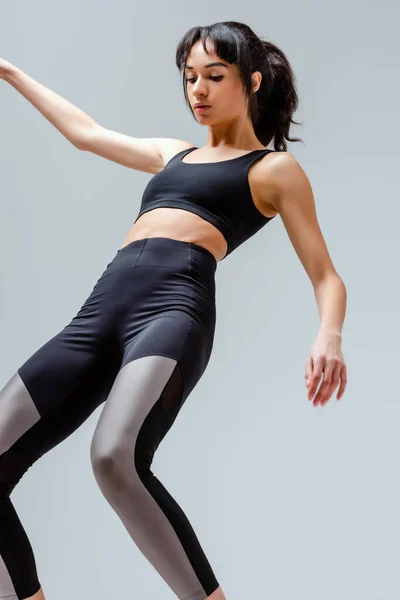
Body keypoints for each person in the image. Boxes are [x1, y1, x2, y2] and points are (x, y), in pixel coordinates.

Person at [0, 20, 347, 600]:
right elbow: (85, 133)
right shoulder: (173, 155)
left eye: (215, 75)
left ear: (252, 81)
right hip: (98, 313)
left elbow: (327, 276)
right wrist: (8, 71)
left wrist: (328, 337)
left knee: (115, 458)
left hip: (171, 311)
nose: (198, 91)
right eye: (190, 78)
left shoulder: (271, 170)